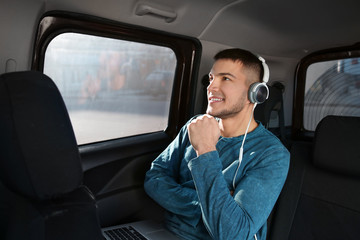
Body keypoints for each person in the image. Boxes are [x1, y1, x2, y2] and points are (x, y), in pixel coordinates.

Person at [144, 48, 290, 240]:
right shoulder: (195, 125)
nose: (211, 87)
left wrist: (205, 150)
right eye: (212, 78)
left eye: (226, 78)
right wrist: (207, 204)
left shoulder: (271, 153)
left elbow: (234, 233)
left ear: (256, 92)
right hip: (163, 233)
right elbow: (154, 179)